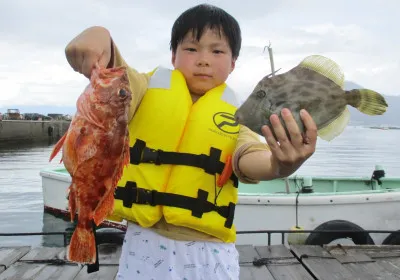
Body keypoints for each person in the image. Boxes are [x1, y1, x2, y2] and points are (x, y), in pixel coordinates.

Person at [65, 3, 317, 279]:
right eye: (191, 49)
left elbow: (250, 156)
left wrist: (280, 165)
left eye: (217, 50)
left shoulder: (237, 116)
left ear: (233, 63)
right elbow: (116, 74)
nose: (203, 59)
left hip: (210, 254)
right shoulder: (144, 88)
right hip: (143, 244)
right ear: (173, 56)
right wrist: (100, 36)